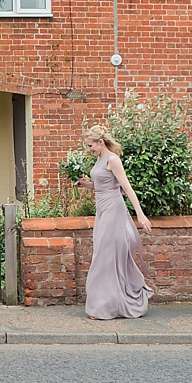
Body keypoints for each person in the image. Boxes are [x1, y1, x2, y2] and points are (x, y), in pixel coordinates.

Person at [73, 125, 153, 319]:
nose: (89, 149)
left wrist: (140, 215)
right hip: (102, 209)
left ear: (101, 142)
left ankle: (105, 306)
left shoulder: (113, 159)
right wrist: (86, 185)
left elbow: (127, 188)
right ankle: (107, 304)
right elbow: (104, 185)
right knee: (103, 253)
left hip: (113, 209)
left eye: (91, 145)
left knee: (105, 255)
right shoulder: (100, 159)